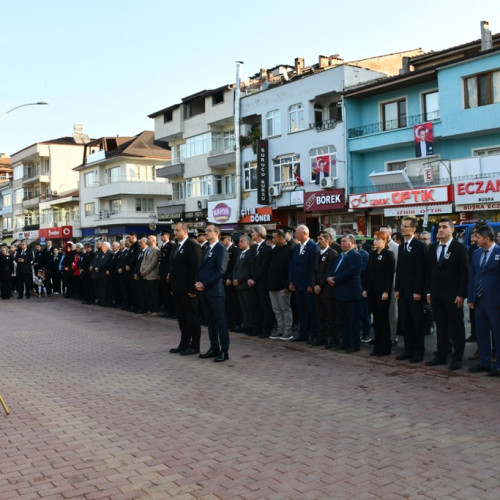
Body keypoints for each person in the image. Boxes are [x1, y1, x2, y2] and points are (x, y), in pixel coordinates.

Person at [425, 218, 469, 371]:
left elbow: (465, 273)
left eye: (444, 227)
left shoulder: (459, 248)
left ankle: (457, 358)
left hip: (452, 295)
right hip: (436, 295)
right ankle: (441, 354)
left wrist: (461, 294)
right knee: (441, 326)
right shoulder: (433, 248)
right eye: (439, 227)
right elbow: (430, 272)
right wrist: (429, 291)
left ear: (452, 230)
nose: (441, 230)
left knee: (456, 327)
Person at [467, 224, 500, 376]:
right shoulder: (476, 253)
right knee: (481, 332)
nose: (475, 239)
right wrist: (471, 297)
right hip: (479, 300)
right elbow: (472, 276)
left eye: (478, 237)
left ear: (487, 238)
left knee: (498, 333)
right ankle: (484, 362)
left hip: (495, 301)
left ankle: (498, 365)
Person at [395, 217, 427, 363]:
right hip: (402, 291)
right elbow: (400, 270)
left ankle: (419, 351)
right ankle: (408, 350)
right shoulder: (402, 246)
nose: (403, 228)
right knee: (406, 321)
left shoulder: (420, 246)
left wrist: (418, 291)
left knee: (417, 322)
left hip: (414, 292)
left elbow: (421, 271)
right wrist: (397, 288)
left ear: (414, 229)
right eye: (402, 226)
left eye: (407, 226)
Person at [195, 224, 230, 362]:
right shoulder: (207, 248)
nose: (206, 233)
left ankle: (224, 350)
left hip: (215, 292)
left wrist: (205, 283)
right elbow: (201, 269)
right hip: (204, 291)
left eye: (209, 231)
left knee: (220, 321)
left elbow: (220, 271)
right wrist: (197, 282)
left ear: (216, 233)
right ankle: (214, 347)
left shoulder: (220, 249)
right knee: (210, 321)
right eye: (206, 231)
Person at [168, 222, 202, 355]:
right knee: (181, 318)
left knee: (192, 318)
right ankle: (184, 343)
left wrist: (192, 289)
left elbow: (195, 269)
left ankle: (195, 346)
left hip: (188, 290)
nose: (175, 233)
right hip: (177, 289)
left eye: (177, 230)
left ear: (185, 231)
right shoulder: (176, 246)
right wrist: (171, 286)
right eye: (174, 231)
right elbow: (173, 268)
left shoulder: (192, 246)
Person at [326, 234, 362, 353]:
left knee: (353, 321)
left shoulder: (355, 256)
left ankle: (354, 344)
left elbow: (350, 272)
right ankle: (345, 342)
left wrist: (335, 279)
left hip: (351, 294)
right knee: (343, 321)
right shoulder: (340, 256)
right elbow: (332, 269)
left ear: (352, 243)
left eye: (344, 241)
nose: (341, 243)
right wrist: (328, 277)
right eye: (341, 241)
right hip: (339, 293)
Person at [363, 231, 395, 356]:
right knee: (375, 320)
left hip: (383, 292)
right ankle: (377, 346)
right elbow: (368, 273)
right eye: (374, 239)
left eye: (378, 239)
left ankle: (385, 347)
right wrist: (366, 288)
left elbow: (389, 274)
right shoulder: (372, 254)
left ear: (385, 241)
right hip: (373, 292)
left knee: (383, 320)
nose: (375, 241)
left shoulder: (389, 254)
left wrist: (386, 290)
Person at [288, 225, 319, 343]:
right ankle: (303, 332)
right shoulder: (296, 247)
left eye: (297, 232)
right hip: (297, 284)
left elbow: (313, 268)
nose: (296, 235)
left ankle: (314, 334)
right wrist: (291, 281)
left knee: (312, 310)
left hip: (307, 285)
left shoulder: (312, 247)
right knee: (301, 310)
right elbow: (292, 265)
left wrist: (311, 284)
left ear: (305, 233)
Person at [312, 231, 338, 348]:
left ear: (327, 240)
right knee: (320, 315)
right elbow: (313, 271)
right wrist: (314, 284)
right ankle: (321, 338)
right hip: (317, 290)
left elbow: (329, 271)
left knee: (331, 316)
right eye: (318, 239)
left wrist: (320, 285)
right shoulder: (317, 253)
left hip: (327, 290)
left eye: (321, 239)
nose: (319, 241)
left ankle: (333, 339)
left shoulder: (332, 254)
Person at [247, 225, 273, 338]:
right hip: (252, 282)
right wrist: (249, 278)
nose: (251, 234)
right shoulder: (252, 248)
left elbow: (264, 266)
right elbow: (249, 264)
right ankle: (256, 327)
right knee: (254, 306)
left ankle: (266, 329)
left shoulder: (267, 248)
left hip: (261, 282)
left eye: (252, 232)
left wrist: (255, 279)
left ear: (258, 233)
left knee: (264, 306)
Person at [266, 229, 293, 340]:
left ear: (282, 238)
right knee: (276, 309)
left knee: (285, 309)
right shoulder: (273, 250)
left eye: (275, 237)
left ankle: (288, 331)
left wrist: (287, 285)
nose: (273, 239)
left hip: (283, 286)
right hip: (272, 285)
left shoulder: (289, 250)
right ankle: (280, 329)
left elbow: (290, 269)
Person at [379, 226, 399, 344]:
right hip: (379, 285)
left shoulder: (395, 247)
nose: (381, 234)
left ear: (390, 233)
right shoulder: (379, 247)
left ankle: (392, 336)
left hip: (391, 284)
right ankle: (383, 335)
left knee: (392, 312)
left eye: (384, 232)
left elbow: (395, 267)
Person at [232, 235, 253, 336]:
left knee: (249, 306)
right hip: (238, 285)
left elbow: (246, 270)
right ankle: (244, 324)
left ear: (248, 243)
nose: (239, 243)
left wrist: (238, 279)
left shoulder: (249, 253)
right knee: (242, 307)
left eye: (241, 242)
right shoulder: (240, 253)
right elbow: (235, 268)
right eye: (239, 241)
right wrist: (233, 278)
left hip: (245, 284)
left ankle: (250, 325)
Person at [140, 235, 161, 316]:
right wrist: (141, 270)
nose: (147, 240)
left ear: (154, 240)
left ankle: (156, 310)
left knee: (154, 293)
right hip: (145, 275)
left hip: (152, 275)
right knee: (148, 293)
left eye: (149, 239)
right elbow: (143, 261)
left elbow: (153, 263)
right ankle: (150, 309)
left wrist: (145, 271)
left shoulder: (156, 250)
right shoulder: (146, 250)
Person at [158, 231, 175, 318]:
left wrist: (169, 273)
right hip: (162, 272)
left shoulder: (170, 246)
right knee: (164, 292)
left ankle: (171, 311)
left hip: (167, 272)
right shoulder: (163, 246)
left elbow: (170, 261)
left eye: (163, 235)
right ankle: (167, 310)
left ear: (167, 236)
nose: (161, 237)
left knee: (168, 292)